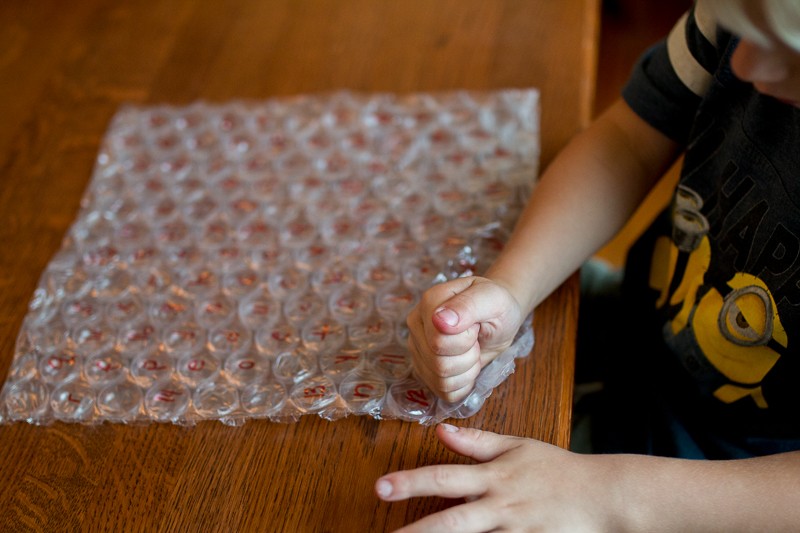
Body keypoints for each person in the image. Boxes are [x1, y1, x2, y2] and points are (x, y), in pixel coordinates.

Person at [375, 0, 800, 530]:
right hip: (646, 317)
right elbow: (628, 140)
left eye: (791, 52)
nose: (744, 67)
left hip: (723, 485)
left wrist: (608, 496)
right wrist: (511, 286)